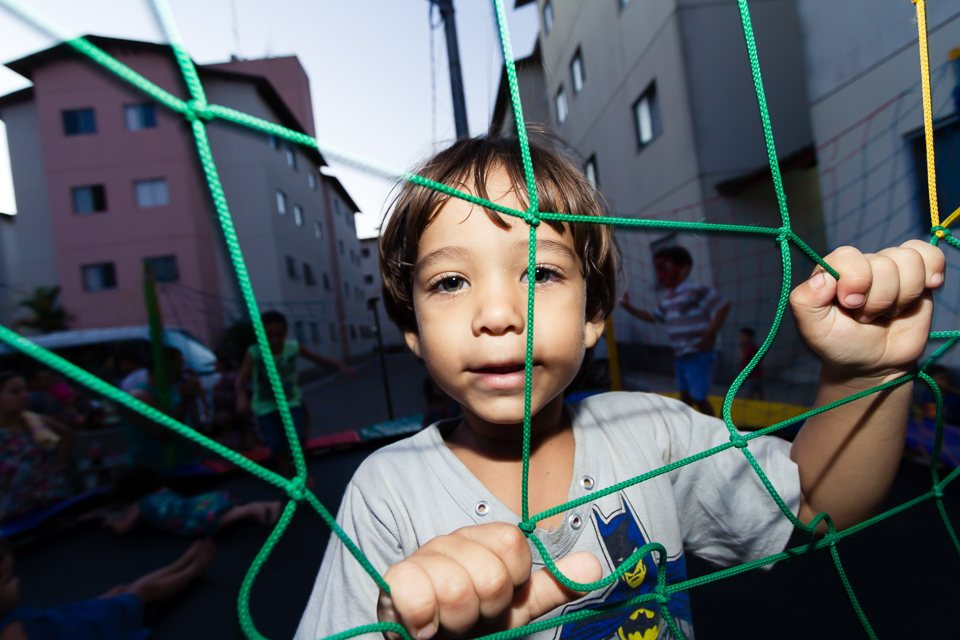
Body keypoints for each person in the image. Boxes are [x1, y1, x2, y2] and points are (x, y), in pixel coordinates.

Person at [292, 131, 945, 640]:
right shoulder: (388, 493)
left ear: (593, 315)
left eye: (541, 273)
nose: (495, 315)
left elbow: (815, 509)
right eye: (450, 282)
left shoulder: (652, 432)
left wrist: (868, 376)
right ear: (412, 327)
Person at [0, 537, 215, 640]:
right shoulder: (9, 632)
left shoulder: (9, 620)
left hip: (70, 618)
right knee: (143, 590)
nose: (16, 581)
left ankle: (180, 563)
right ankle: (193, 571)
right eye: (8, 580)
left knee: (119, 590)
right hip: (88, 631)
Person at [235, 311, 353, 479]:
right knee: (277, 445)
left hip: (291, 401)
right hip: (265, 406)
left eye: (279, 335)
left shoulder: (293, 347)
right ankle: (288, 478)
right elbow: (241, 380)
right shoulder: (254, 352)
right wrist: (241, 397)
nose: (275, 340)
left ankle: (301, 474)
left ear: (285, 333)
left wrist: (338, 364)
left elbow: (317, 358)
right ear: (261, 335)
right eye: (270, 336)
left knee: (298, 437)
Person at [619, 246, 730, 416]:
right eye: (659, 270)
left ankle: (717, 428)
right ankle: (685, 425)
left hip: (698, 354)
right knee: (685, 395)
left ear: (684, 268)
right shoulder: (670, 297)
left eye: (667, 268)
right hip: (681, 355)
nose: (662, 274)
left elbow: (722, 304)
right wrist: (628, 307)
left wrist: (711, 331)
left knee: (698, 397)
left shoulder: (693, 290)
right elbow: (652, 316)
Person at [104, 463, 281, 537]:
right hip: (194, 503)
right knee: (219, 511)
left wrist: (112, 522)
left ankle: (250, 510)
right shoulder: (162, 491)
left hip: (187, 516)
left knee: (212, 522)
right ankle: (269, 504)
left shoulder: (140, 504)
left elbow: (123, 528)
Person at [0, 372, 72, 523]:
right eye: (15, 392)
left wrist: (61, 461)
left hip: (50, 505)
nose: (24, 395)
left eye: (25, 390)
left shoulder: (35, 421)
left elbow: (67, 433)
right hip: (11, 516)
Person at [122, 347, 202, 471]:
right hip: (154, 473)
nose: (182, 370)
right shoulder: (140, 397)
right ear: (165, 366)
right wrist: (185, 401)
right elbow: (165, 434)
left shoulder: (172, 391)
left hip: (183, 466)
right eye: (179, 365)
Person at [737, 327, 764, 401]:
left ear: (750, 337)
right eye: (740, 337)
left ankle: (751, 403)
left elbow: (744, 357)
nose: (741, 339)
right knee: (757, 390)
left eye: (743, 337)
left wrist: (740, 349)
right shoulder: (751, 347)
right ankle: (761, 401)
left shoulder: (751, 347)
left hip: (752, 375)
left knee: (751, 391)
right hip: (753, 374)